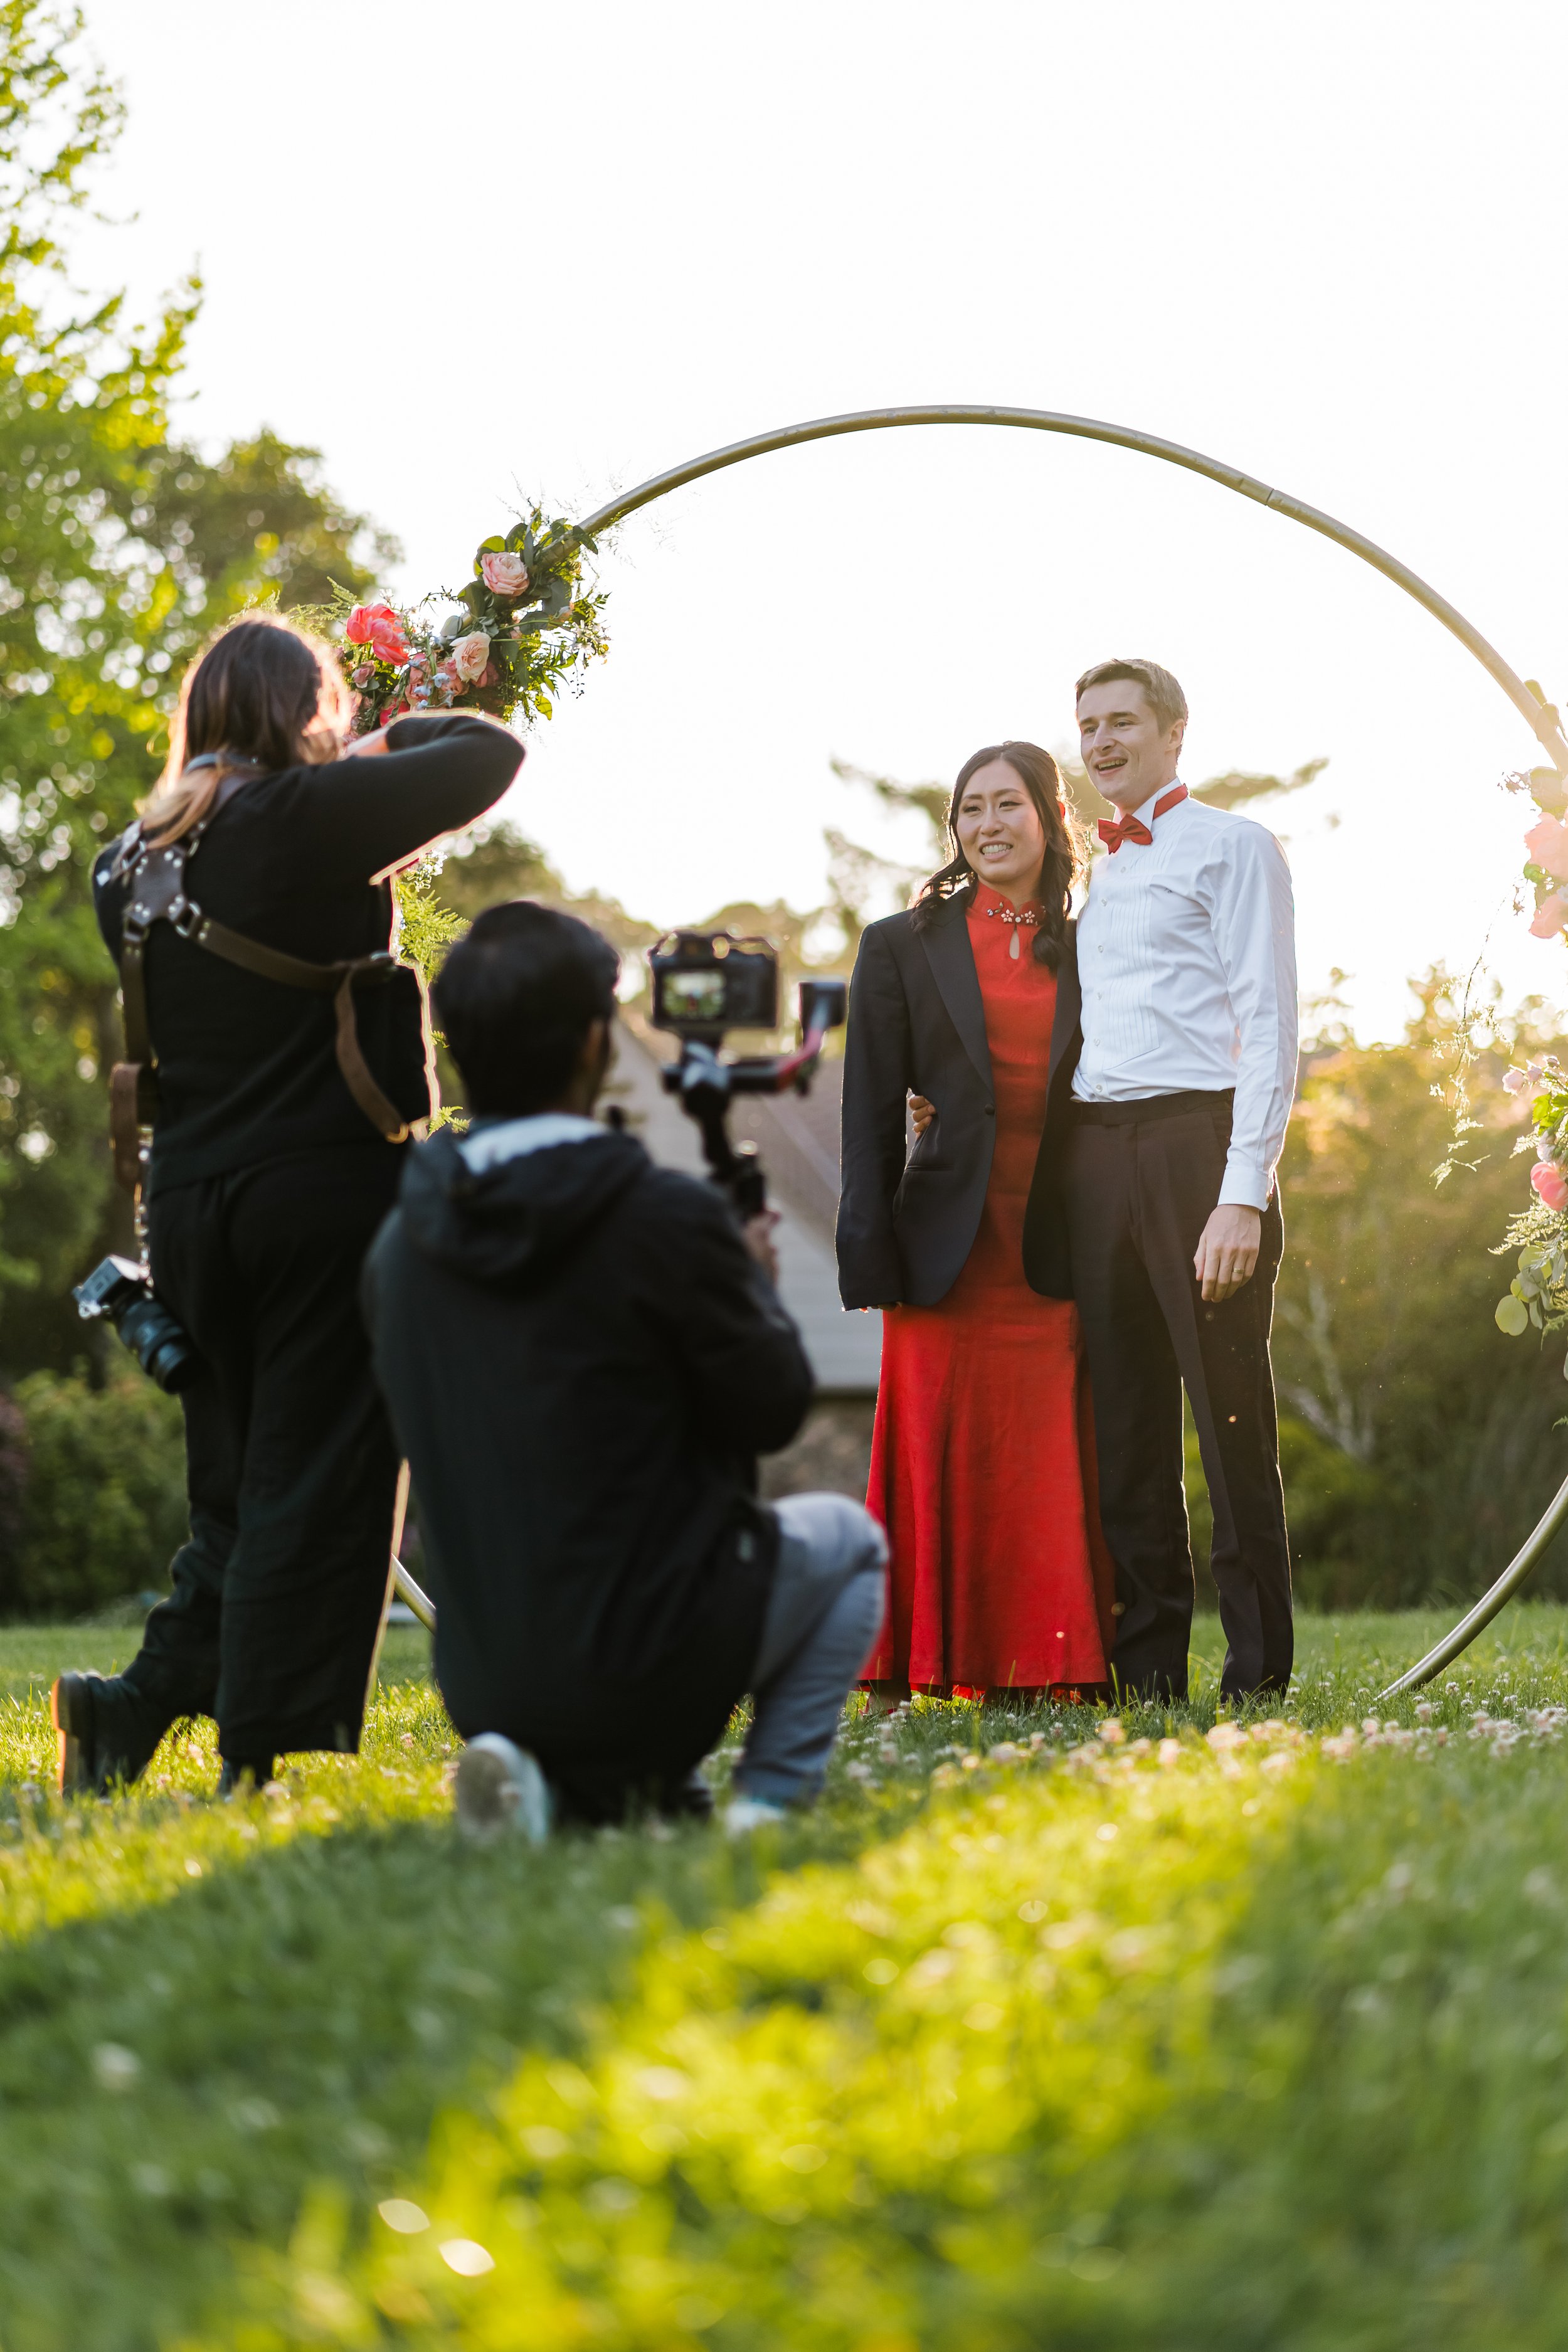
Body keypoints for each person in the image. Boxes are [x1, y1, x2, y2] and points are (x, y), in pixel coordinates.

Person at [53, 611, 524, 1794]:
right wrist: (385, 732)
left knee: (237, 1491)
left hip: (194, 1205)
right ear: (294, 712)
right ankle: (257, 1756)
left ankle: (125, 1714)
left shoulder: (130, 862)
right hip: (321, 1194)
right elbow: (488, 758)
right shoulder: (296, 817)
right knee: (318, 1477)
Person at [361, 900, 887, 1835]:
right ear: (594, 1047)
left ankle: (564, 1778)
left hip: (483, 1678)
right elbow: (769, 1408)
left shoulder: (400, 1247)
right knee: (853, 1545)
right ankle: (764, 1806)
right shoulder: (664, 1216)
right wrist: (751, 1288)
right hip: (655, 1661)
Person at [1022, 657, 1297, 1702]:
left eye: (1121, 722)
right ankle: (1147, 1674)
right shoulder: (1097, 875)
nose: (1100, 742)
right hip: (1098, 1157)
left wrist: (1242, 1191)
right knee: (1128, 1423)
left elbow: (1269, 1025)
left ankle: (1259, 1674)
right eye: (1087, 726)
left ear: (1175, 732)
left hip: (1200, 1148)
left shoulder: (1235, 846)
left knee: (1230, 1420)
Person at [836, 742, 1116, 1706]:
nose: (988, 825)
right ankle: (899, 1670)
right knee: (927, 1455)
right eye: (970, 810)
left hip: (1058, 1245)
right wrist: (866, 1248)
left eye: (1008, 805)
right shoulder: (900, 942)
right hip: (944, 1248)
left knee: (1045, 1462)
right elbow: (870, 1105)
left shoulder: (1096, 940)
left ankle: (1044, 1672)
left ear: (1050, 817)